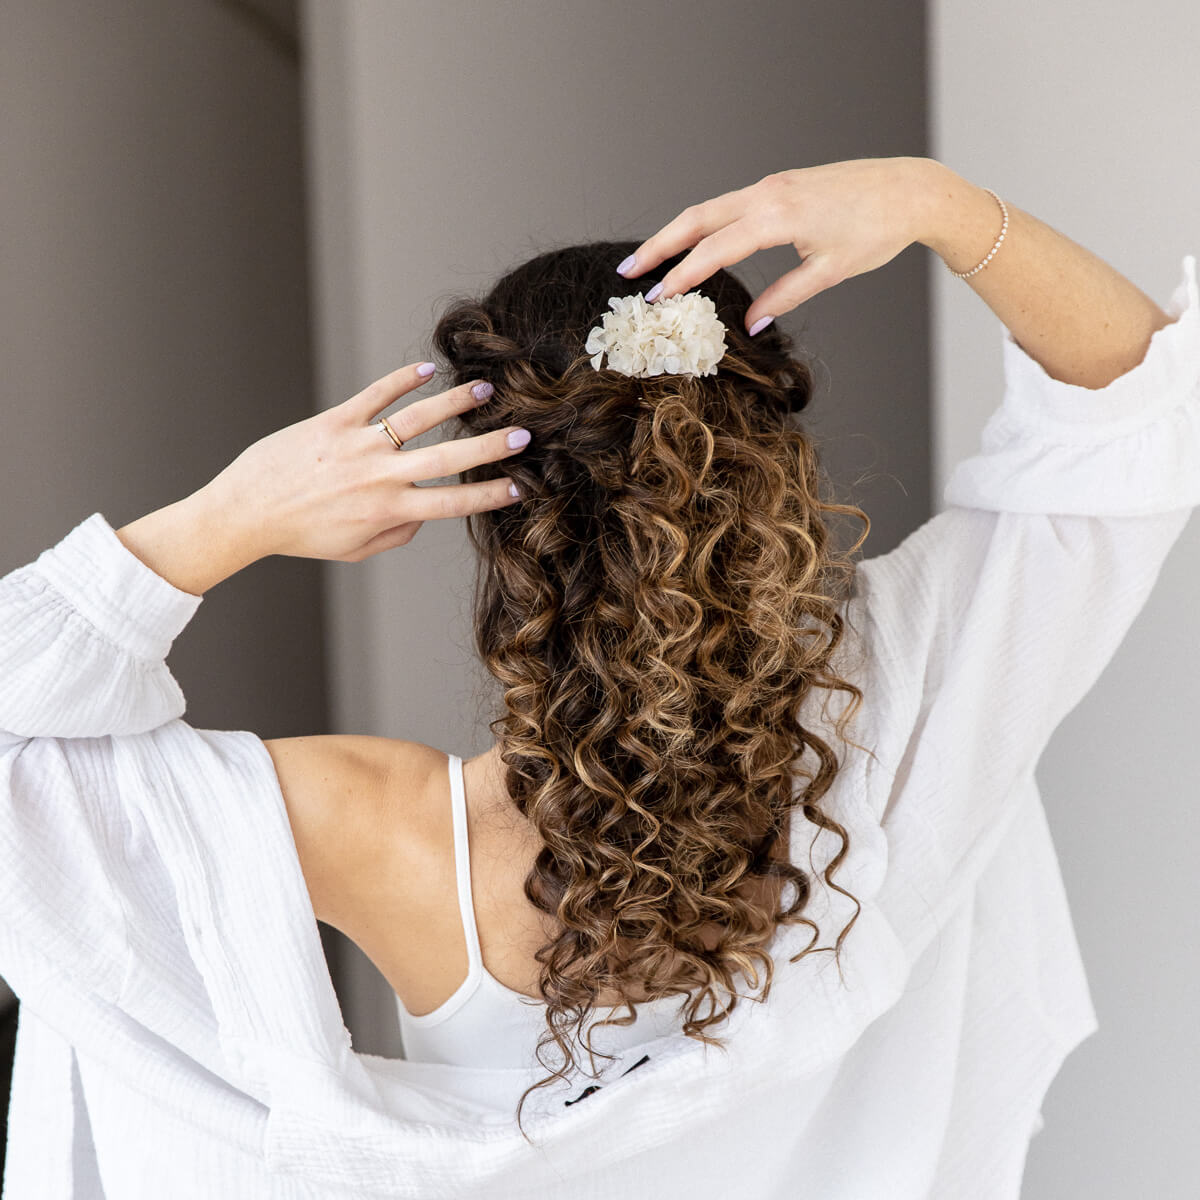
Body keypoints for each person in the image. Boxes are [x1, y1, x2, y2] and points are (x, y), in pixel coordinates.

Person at [1, 155, 1196, 1199]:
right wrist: (933, 201)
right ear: (766, 462)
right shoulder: (916, 700)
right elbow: (1135, 420)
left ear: (501, 520)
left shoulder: (381, 827)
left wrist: (224, 519)